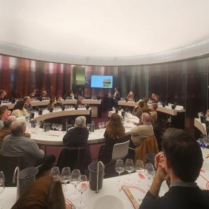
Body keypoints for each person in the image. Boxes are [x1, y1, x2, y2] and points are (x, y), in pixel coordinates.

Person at [140, 128, 209, 209]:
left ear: (168, 164)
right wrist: (169, 159)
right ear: (200, 163)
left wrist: (157, 179)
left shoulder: (156, 206)